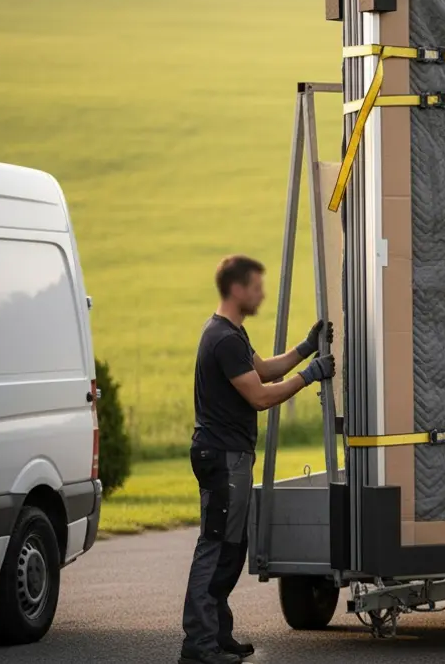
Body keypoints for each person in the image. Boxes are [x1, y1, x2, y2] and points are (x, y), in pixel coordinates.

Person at [180, 255, 335, 664]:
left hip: (229, 455)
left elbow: (264, 371)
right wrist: (310, 375)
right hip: (223, 456)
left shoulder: (231, 333)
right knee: (217, 546)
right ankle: (199, 645)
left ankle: (217, 635)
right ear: (237, 289)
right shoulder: (223, 339)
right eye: (256, 286)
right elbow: (261, 397)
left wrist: (305, 348)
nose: (262, 293)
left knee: (232, 545)